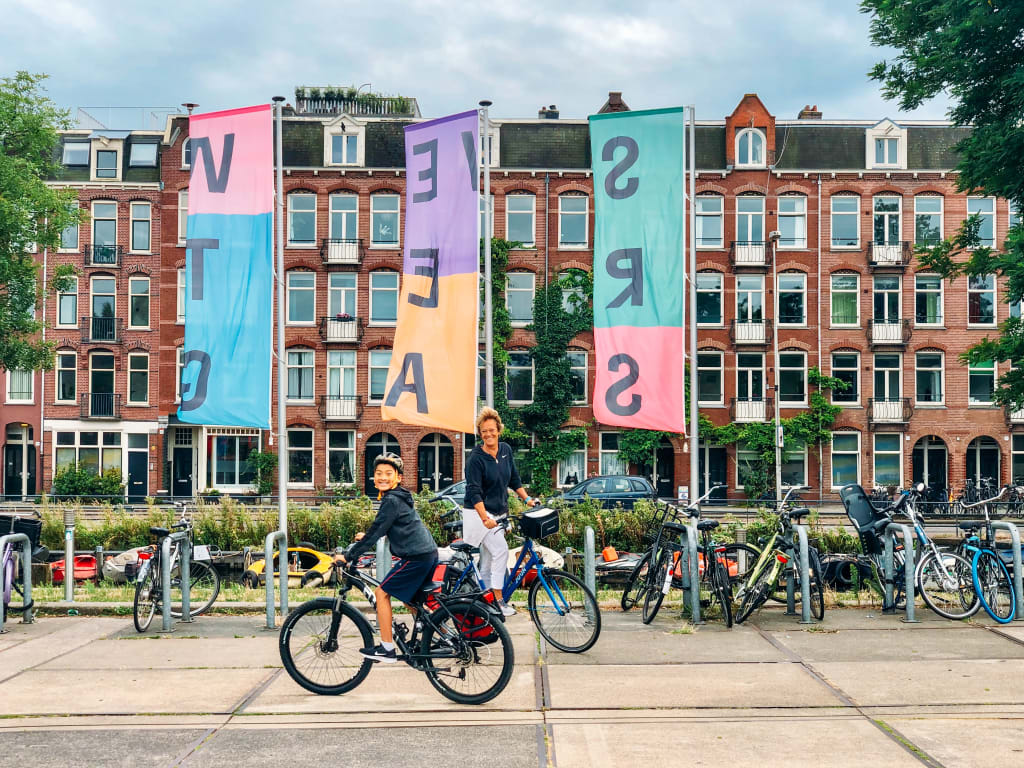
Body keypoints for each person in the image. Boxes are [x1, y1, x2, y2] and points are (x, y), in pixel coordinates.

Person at [334, 453, 437, 663]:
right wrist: (370, 535)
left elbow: (377, 531)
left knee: (381, 594)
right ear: (373, 477)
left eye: (388, 474)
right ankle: (437, 632)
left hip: (416, 557)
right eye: (379, 473)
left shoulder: (391, 500)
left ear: (398, 478)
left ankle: (387, 648)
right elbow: (390, 526)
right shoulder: (399, 496)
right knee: (410, 600)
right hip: (426, 553)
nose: (383, 477)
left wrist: (347, 556)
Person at [463, 407, 537, 617]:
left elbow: (514, 479)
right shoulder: (475, 458)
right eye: (484, 431)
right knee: (501, 551)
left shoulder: (505, 450)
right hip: (478, 515)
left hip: (499, 514)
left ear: (499, 430)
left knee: (488, 560)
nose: (488, 435)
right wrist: (484, 517)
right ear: (480, 433)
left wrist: (528, 499)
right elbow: (473, 491)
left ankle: (484, 601)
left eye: (491, 430)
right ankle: (498, 600)